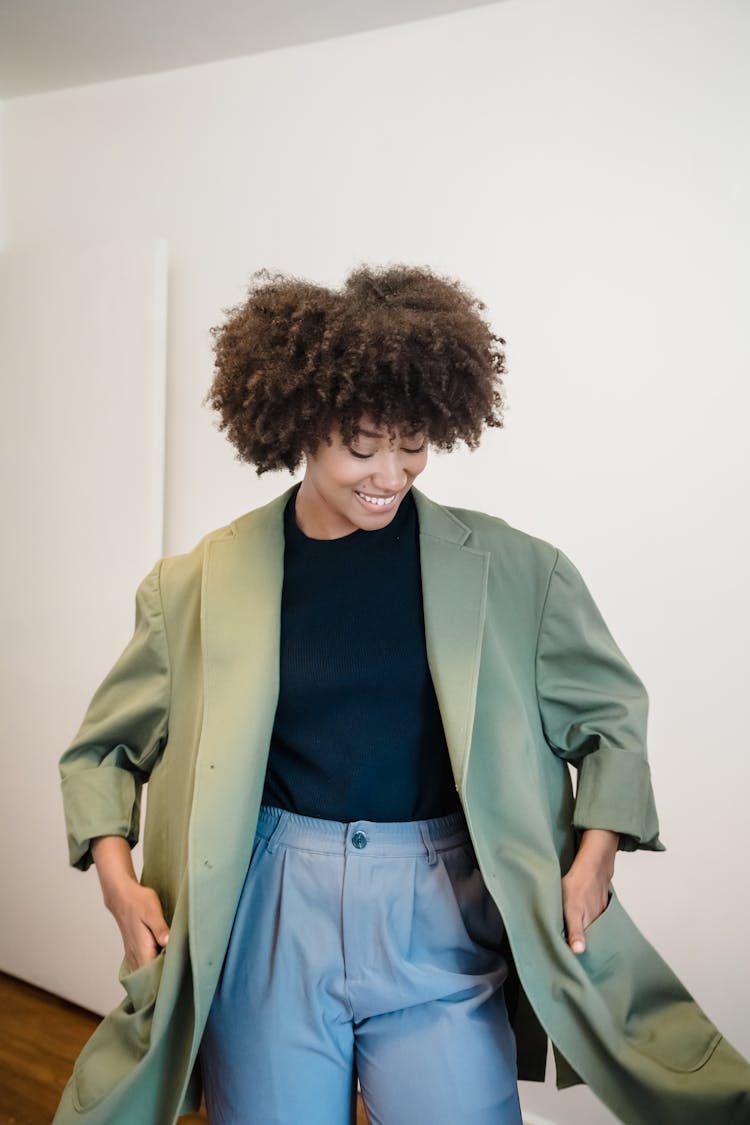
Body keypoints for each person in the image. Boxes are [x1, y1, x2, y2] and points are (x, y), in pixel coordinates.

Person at [54, 264, 750, 1125]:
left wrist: (597, 850)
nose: (391, 471)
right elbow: (100, 754)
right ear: (300, 423)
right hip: (268, 913)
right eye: (361, 443)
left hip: (442, 912)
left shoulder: (518, 572)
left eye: (414, 440)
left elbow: (608, 719)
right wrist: (121, 888)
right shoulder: (195, 584)